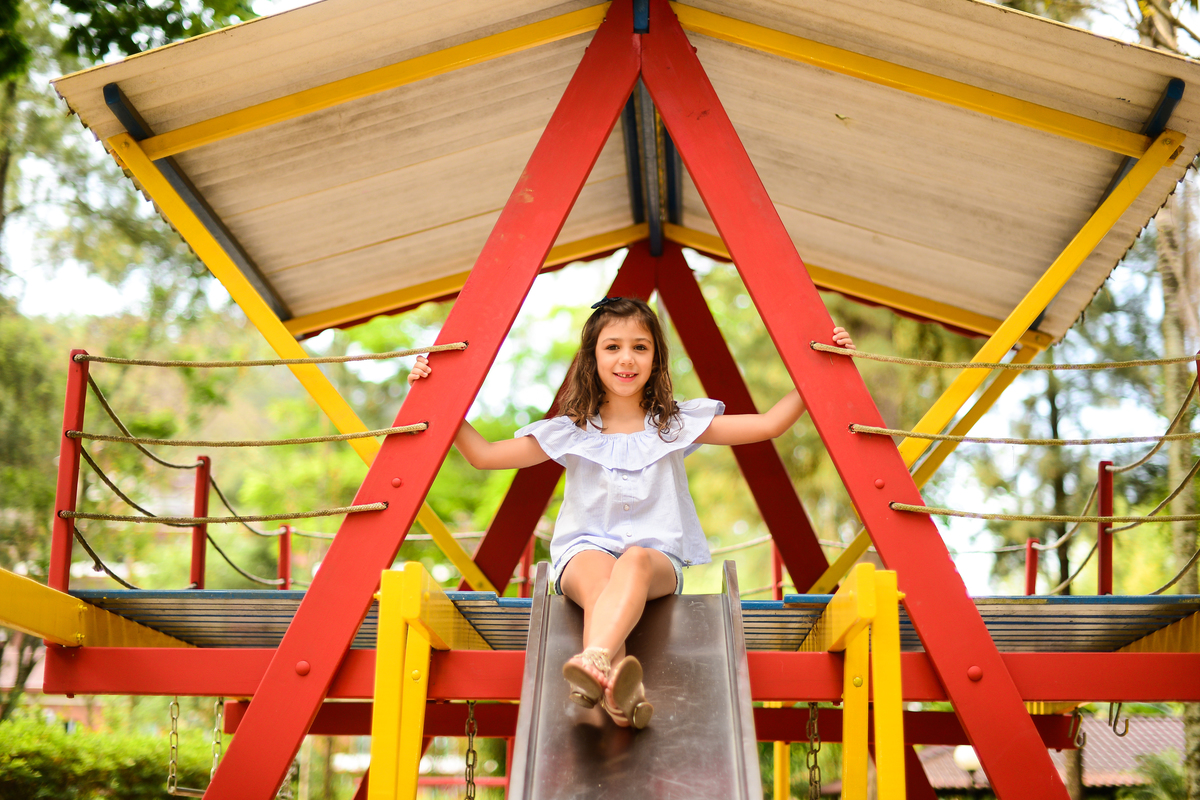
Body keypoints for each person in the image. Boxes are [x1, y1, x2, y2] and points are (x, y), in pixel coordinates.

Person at [408, 296, 854, 730]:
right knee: (599, 572)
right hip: (585, 552)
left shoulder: (675, 425)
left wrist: (823, 368)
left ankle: (594, 663)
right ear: (593, 357)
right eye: (613, 346)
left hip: (656, 560)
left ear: (656, 358)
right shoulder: (571, 432)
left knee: (635, 558)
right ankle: (623, 700)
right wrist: (437, 395)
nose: (627, 359)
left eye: (640, 347)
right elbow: (484, 455)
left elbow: (769, 424)